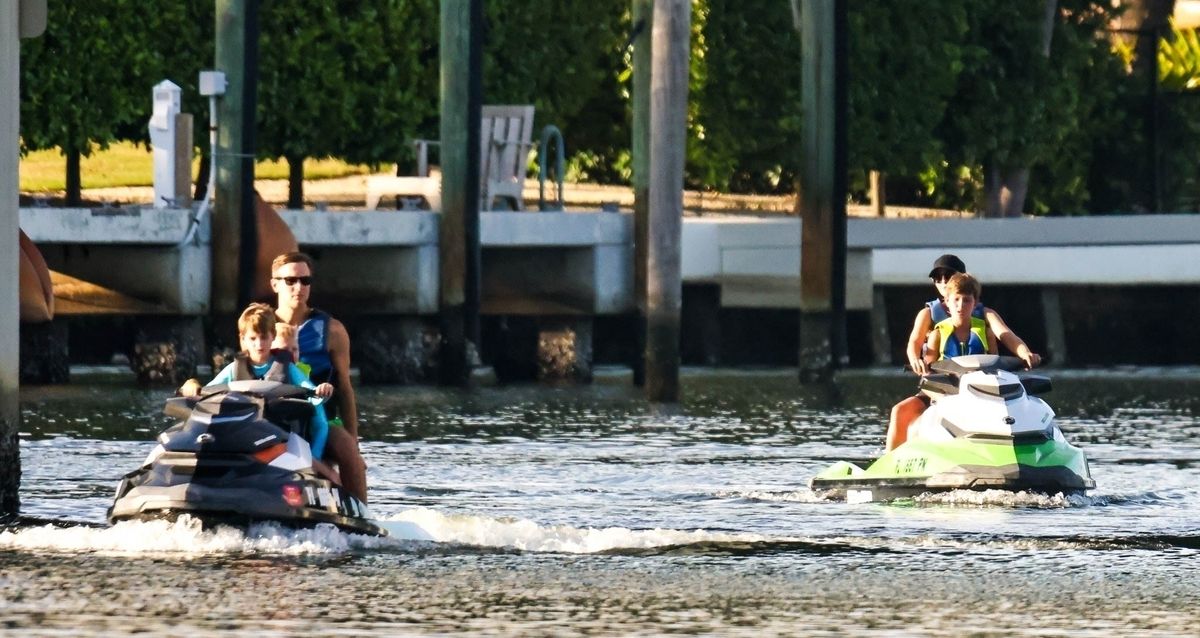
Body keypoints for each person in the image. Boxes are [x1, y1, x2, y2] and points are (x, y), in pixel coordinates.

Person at [886, 262, 1041, 451]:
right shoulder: (931, 320)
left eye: (949, 276)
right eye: (939, 278)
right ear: (948, 300)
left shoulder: (985, 321)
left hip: (981, 389)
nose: (944, 281)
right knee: (900, 411)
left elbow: (1005, 337)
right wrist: (917, 361)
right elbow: (915, 344)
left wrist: (1025, 354)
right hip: (944, 388)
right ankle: (890, 460)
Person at [179, 304, 337, 474]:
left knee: (319, 419)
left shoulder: (288, 368)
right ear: (243, 340)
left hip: (279, 438)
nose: (259, 344)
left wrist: (321, 390)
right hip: (242, 438)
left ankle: (314, 464)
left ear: (272, 337)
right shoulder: (233, 370)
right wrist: (191, 385)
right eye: (253, 338)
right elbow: (205, 392)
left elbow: (311, 392)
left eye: (263, 337)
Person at [270, 252, 369, 503]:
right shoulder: (261, 327)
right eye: (290, 281)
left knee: (347, 449)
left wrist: (354, 443)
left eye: (305, 281)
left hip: (321, 417)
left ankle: (362, 514)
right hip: (272, 417)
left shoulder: (332, 330)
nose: (298, 288)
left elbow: (345, 390)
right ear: (275, 284)